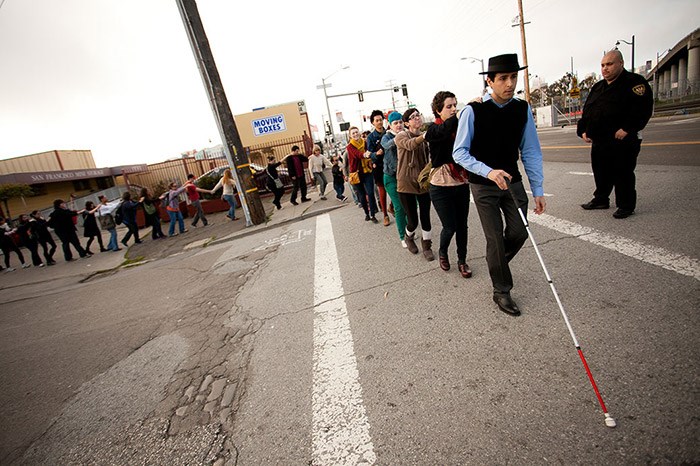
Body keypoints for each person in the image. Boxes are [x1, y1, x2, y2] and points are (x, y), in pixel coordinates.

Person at [453, 53, 546, 317]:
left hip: (512, 182)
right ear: (490, 82)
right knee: (494, 237)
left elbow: (530, 150)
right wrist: (488, 171)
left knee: (519, 232)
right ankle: (502, 290)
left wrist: (537, 189)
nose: (509, 83)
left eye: (513, 77)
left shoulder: (521, 108)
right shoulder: (473, 111)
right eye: (503, 78)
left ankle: (496, 262)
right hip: (483, 185)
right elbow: (459, 153)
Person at [577, 49, 653, 219]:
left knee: (622, 172)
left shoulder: (634, 83)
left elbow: (643, 109)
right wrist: (583, 130)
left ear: (621, 63)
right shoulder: (598, 87)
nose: (605, 68)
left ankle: (626, 205)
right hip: (600, 140)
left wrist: (627, 128)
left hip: (622, 140)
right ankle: (601, 199)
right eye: (603, 65)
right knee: (601, 171)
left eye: (609, 64)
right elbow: (588, 111)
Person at [425, 91, 470, 276]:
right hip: (440, 185)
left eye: (455, 105)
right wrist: (461, 114)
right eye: (448, 106)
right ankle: (443, 252)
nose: (453, 109)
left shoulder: (461, 127)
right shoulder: (433, 130)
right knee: (449, 226)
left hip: (461, 182)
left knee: (462, 225)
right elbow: (444, 131)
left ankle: (462, 261)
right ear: (438, 110)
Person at [395, 109, 434, 260]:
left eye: (418, 115)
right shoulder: (401, 136)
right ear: (406, 123)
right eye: (413, 117)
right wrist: (424, 137)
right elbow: (410, 145)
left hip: (422, 183)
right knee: (412, 220)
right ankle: (408, 236)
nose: (417, 118)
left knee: (425, 215)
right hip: (405, 184)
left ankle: (427, 245)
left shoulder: (425, 136)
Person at [381, 111, 409, 247]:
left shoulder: (407, 134)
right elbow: (387, 146)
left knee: (412, 206)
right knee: (399, 207)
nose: (398, 125)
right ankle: (403, 236)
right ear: (390, 125)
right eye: (395, 123)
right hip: (391, 177)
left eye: (400, 122)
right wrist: (400, 137)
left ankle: (410, 231)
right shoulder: (386, 138)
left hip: (406, 177)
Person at [346, 126, 379, 223]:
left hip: (367, 171)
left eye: (356, 132)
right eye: (353, 133)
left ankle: (373, 214)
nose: (355, 134)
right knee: (362, 195)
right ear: (350, 136)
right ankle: (366, 213)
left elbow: (370, 151)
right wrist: (364, 154)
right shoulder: (350, 147)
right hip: (356, 173)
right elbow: (356, 154)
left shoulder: (365, 143)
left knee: (370, 192)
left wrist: (372, 159)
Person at [367, 110, 390, 226]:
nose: (380, 122)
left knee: (396, 189)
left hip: (391, 164)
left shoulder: (389, 133)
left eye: (381, 120)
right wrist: (377, 154)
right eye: (377, 120)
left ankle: (392, 207)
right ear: (373, 123)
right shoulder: (371, 137)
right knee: (382, 191)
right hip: (379, 166)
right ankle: (385, 214)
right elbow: (369, 154)